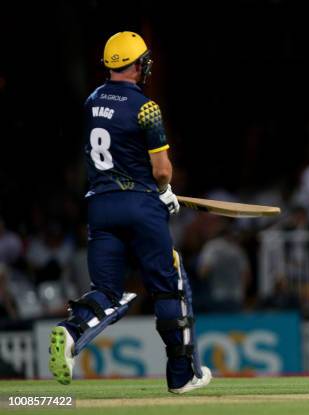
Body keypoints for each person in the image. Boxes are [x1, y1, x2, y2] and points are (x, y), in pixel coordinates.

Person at [48, 31, 211, 393]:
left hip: (100, 206)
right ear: (138, 64)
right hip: (140, 204)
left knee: (106, 291)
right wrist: (166, 192)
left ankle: (71, 330)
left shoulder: (92, 101)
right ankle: (182, 376)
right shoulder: (146, 107)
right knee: (169, 287)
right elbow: (162, 169)